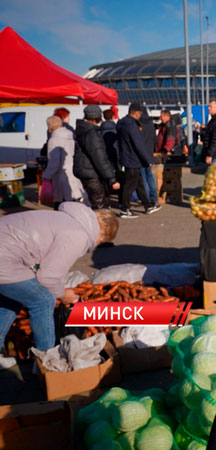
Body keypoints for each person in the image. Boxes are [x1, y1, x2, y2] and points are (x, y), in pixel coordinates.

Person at [0, 204, 119, 369]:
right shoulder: (78, 234)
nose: (97, 245)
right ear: (100, 233)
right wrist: (63, 294)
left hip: (6, 254)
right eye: (102, 241)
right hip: (5, 259)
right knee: (44, 301)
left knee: (10, 301)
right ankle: (48, 363)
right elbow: (46, 277)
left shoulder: (68, 220)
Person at [117, 103, 159, 218]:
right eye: (140, 113)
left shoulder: (122, 123)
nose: (140, 116)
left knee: (139, 183)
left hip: (127, 157)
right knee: (129, 185)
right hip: (133, 159)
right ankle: (124, 209)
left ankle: (148, 206)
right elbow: (138, 144)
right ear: (136, 113)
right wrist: (149, 159)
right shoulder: (131, 125)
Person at [74, 105, 121, 209]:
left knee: (95, 204)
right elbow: (100, 158)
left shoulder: (83, 129)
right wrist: (112, 179)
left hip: (87, 171)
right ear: (97, 116)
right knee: (100, 207)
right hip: (92, 174)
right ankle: (99, 225)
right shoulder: (92, 134)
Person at [43, 116, 84, 210]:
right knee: (76, 195)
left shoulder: (54, 139)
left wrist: (46, 175)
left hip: (61, 173)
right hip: (72, 170)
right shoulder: (69, 136)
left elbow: (54, 161)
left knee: (62, 200)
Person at [139, 109, 159, 207]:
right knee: (150, 177)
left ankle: (146, 200)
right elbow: (154, 139)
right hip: (150, 153)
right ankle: (154, 198)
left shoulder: (138, 124)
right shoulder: (151, 124)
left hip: (141, 154)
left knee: (143, 178)